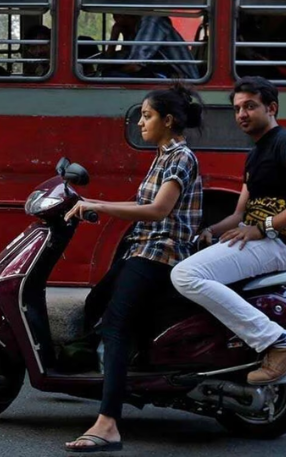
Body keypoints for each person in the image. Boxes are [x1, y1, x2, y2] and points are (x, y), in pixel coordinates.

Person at [63, 85, 204, 452]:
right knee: (96, 301)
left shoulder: (180, 158)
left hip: (161, 254)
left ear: (167, 120)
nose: (140, 122)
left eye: (147, 116)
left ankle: (108, 423)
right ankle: (99, 378)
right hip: (142, 249)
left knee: (115, 326)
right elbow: (142, 203)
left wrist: (102, 205)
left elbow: (158, 211)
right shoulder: (162, 155)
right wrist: (91, 206)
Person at [171, 77, 286, 385]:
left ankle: (281, 343)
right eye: (237, 108)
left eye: (250, 106)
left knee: (186, 276)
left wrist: (264, 227)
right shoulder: (256, 154)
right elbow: (240, 214)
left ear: (271, 108)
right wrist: (207, 233)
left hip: (282, 243)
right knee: (183, 267)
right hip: (262, 237)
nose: (242, 114)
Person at [103, 0, 199, 79]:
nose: (115, 19)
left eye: (115, 14)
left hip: (181, 81)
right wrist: (114, 38)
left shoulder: (152, 22)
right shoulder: (134, 28)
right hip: (164, 74)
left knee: (111, 76)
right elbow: (125, 59)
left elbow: (134, 66)